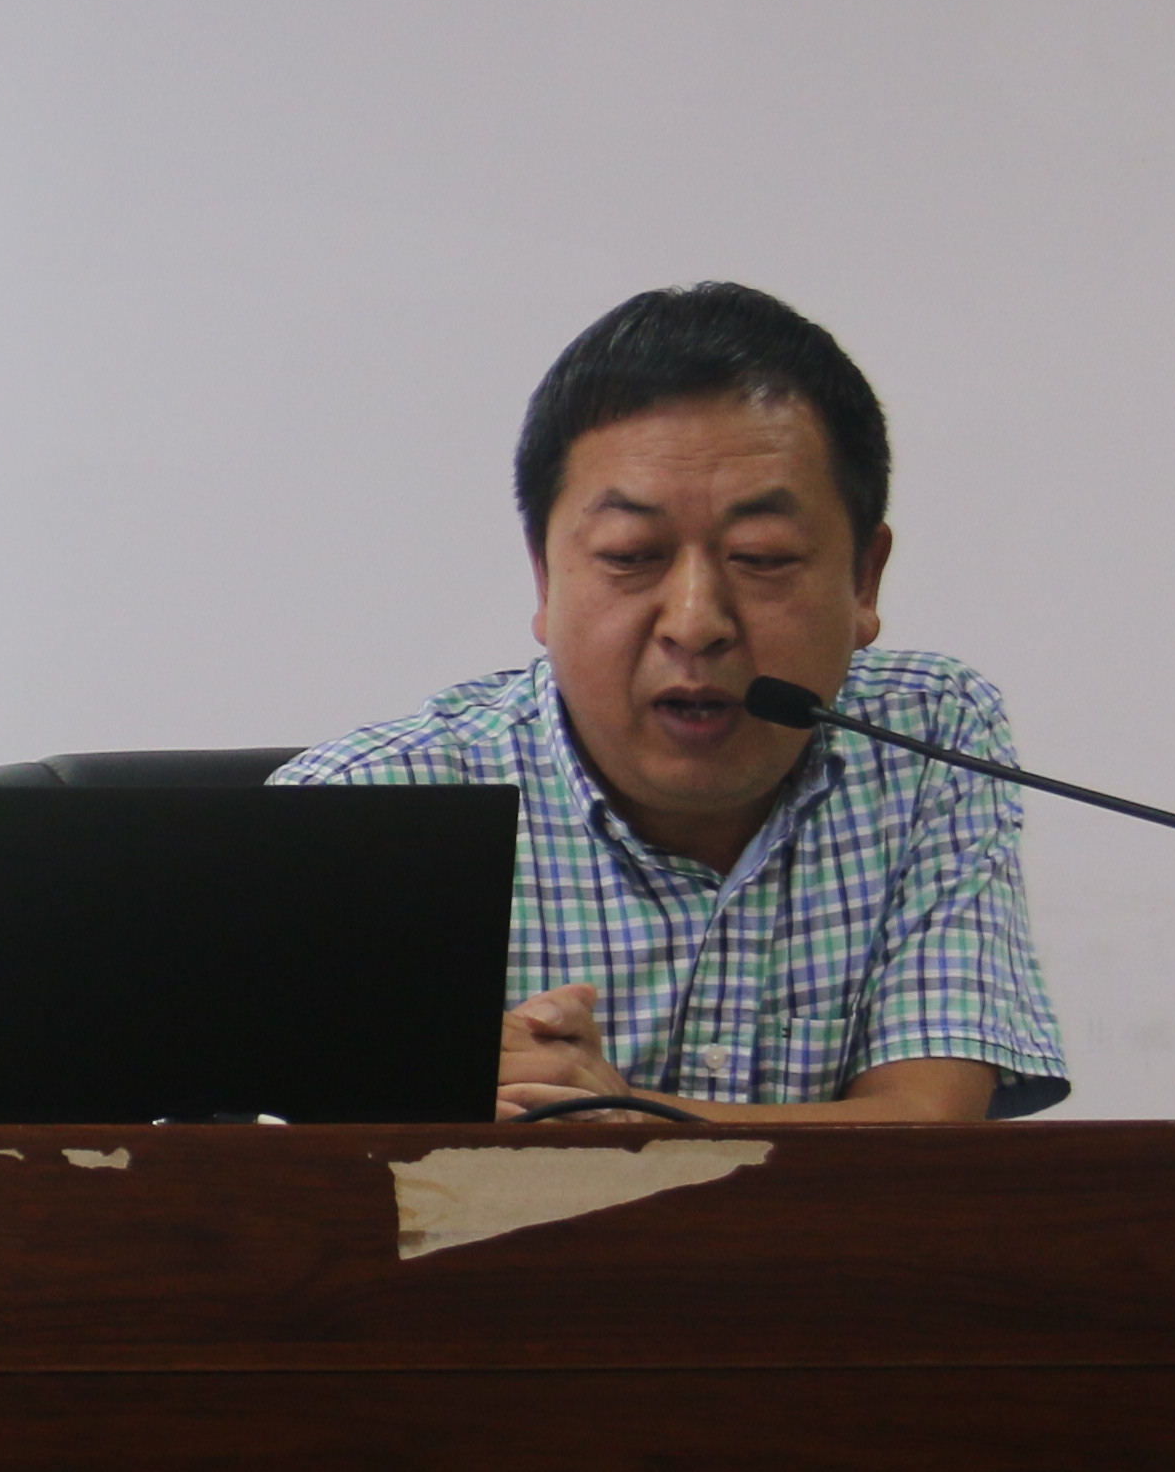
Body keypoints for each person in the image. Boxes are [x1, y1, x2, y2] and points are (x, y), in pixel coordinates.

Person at [274, 283, 1066, 1123]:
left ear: (864, 581)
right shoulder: (356, 813)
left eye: (762, 556)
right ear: (544, 578)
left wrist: (614, 1119)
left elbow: (929, 1129)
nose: (694, 622)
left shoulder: (927, 737)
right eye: (631, 555)